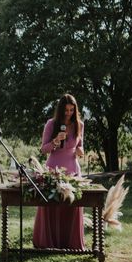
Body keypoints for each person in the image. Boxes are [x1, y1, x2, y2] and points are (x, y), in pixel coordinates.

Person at [32, 93, 85, 249]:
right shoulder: (51, 124)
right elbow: (43, 149)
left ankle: (70, 243)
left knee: (72, 206)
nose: (68, 113)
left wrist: (80, 150)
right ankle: (49, 242)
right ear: (60, 110)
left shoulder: (79, 125)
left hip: (73, 169)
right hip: (53, 169)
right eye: (66, 110)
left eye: (71, 110)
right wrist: (55, 141)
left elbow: (80, 144)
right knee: (51, 205)